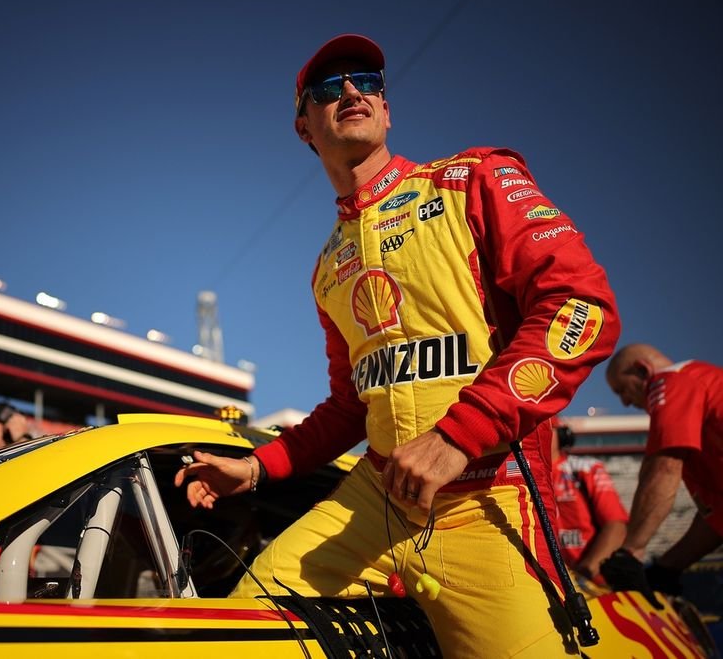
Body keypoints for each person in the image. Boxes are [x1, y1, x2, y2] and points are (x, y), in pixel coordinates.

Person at [175, 34, 620, 656]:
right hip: (375, 497)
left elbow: (582, 307)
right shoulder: (328, 266)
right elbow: (349, 406)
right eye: (329, 89)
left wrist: (457, 436)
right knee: (244, 632)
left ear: (386, 109)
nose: (352, 92)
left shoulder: (473, 180)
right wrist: (255, 468)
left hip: (489, 492)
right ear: (304, 126)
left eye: (367, 82)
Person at [600, 344, 723, 600]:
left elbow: (665, 466)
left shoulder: (671, 381)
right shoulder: (700, 398)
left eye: (622, 389)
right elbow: (717, 518)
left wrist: (631, 551)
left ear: (643, 370)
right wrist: (668, 567)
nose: (624, 402)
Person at [551, 423, 628, 581]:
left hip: (593, 585)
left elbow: (616, 526)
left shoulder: (587, 469)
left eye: (544, 427)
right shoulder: (515, 475)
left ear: (562, 435)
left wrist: (586, 572)